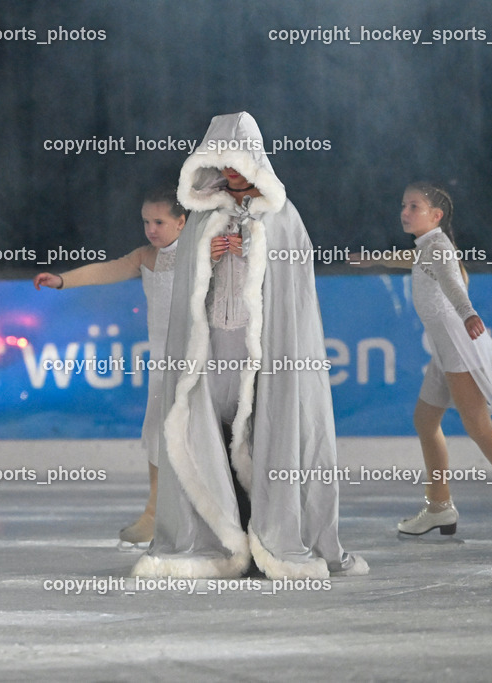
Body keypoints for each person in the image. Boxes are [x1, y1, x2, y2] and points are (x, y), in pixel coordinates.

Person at [132, 111, 367, 579]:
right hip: (212, 348)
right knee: (210, 434)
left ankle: (269, 539)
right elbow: (186, 283)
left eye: (236, 158)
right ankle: (222, 541)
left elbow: (294, 281)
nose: (230, 168)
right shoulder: (203, 215)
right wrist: (206, 254)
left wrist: (256, 249)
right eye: (221, 159)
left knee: (267, 434)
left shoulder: (281, 215)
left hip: (262, 351)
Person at [350, 182, 492, 539]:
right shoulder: (429, 247)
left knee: (479, 428)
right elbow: (414, 260)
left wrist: (469, 313)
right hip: (444, 352)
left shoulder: (439, 249)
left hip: (458, 348)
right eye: (403, 205)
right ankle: (439, 507)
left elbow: (452, 284)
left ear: (436, 215)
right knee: (426, 421)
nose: (404, 212)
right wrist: (378, 258)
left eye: (414, 206)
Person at [34, 187, 186, 546]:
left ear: (181, 222)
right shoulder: (146, 256)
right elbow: (108, 269)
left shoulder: (202, 254)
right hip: (163, 363)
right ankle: (155, 515)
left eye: (159, 222)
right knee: (157, 433)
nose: (150, 229)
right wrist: (62, 280)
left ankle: (216, 519)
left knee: (200, 436)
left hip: (200, 360)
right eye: (146, 222)